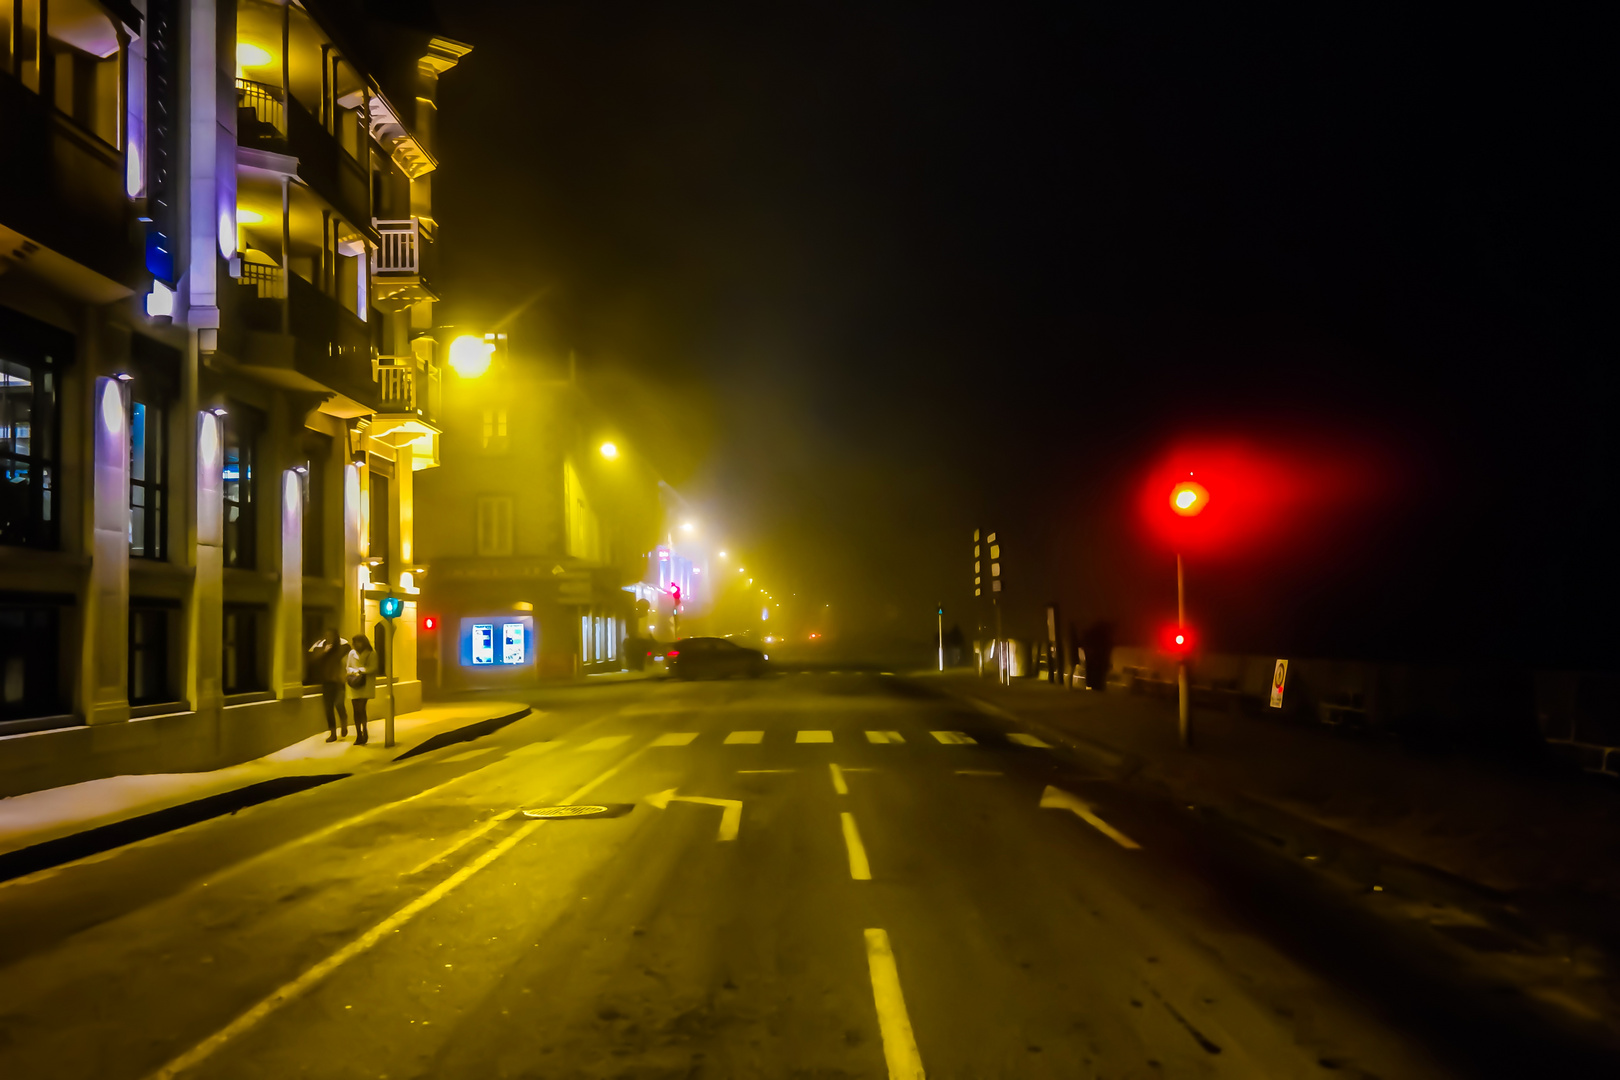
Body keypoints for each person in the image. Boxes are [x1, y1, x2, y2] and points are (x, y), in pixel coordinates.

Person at [308, 627, 349, 741]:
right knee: (328, 708)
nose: (328, 637)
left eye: (331, 635)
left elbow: (347, 659)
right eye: (327, 635)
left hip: (339, 681)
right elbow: (313, 659)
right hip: (326, 681)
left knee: (339, 704)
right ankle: (333, 733)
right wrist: (324, 651)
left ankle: (344, 722)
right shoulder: (320, 646)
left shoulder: (343, 647)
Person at [345, 634, 380, 745]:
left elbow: (374, 668)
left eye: (357, 642)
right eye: (353, 642)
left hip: (365, 684)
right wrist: (353, 671)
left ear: (363, 642)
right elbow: (348, 666)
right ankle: (359, 734)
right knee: (355, 709)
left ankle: (364, 729)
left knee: (361, 708)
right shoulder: (352, 653)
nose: (354, 645)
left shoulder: (371, 653)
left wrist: (361, 670)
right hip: (354, 683)